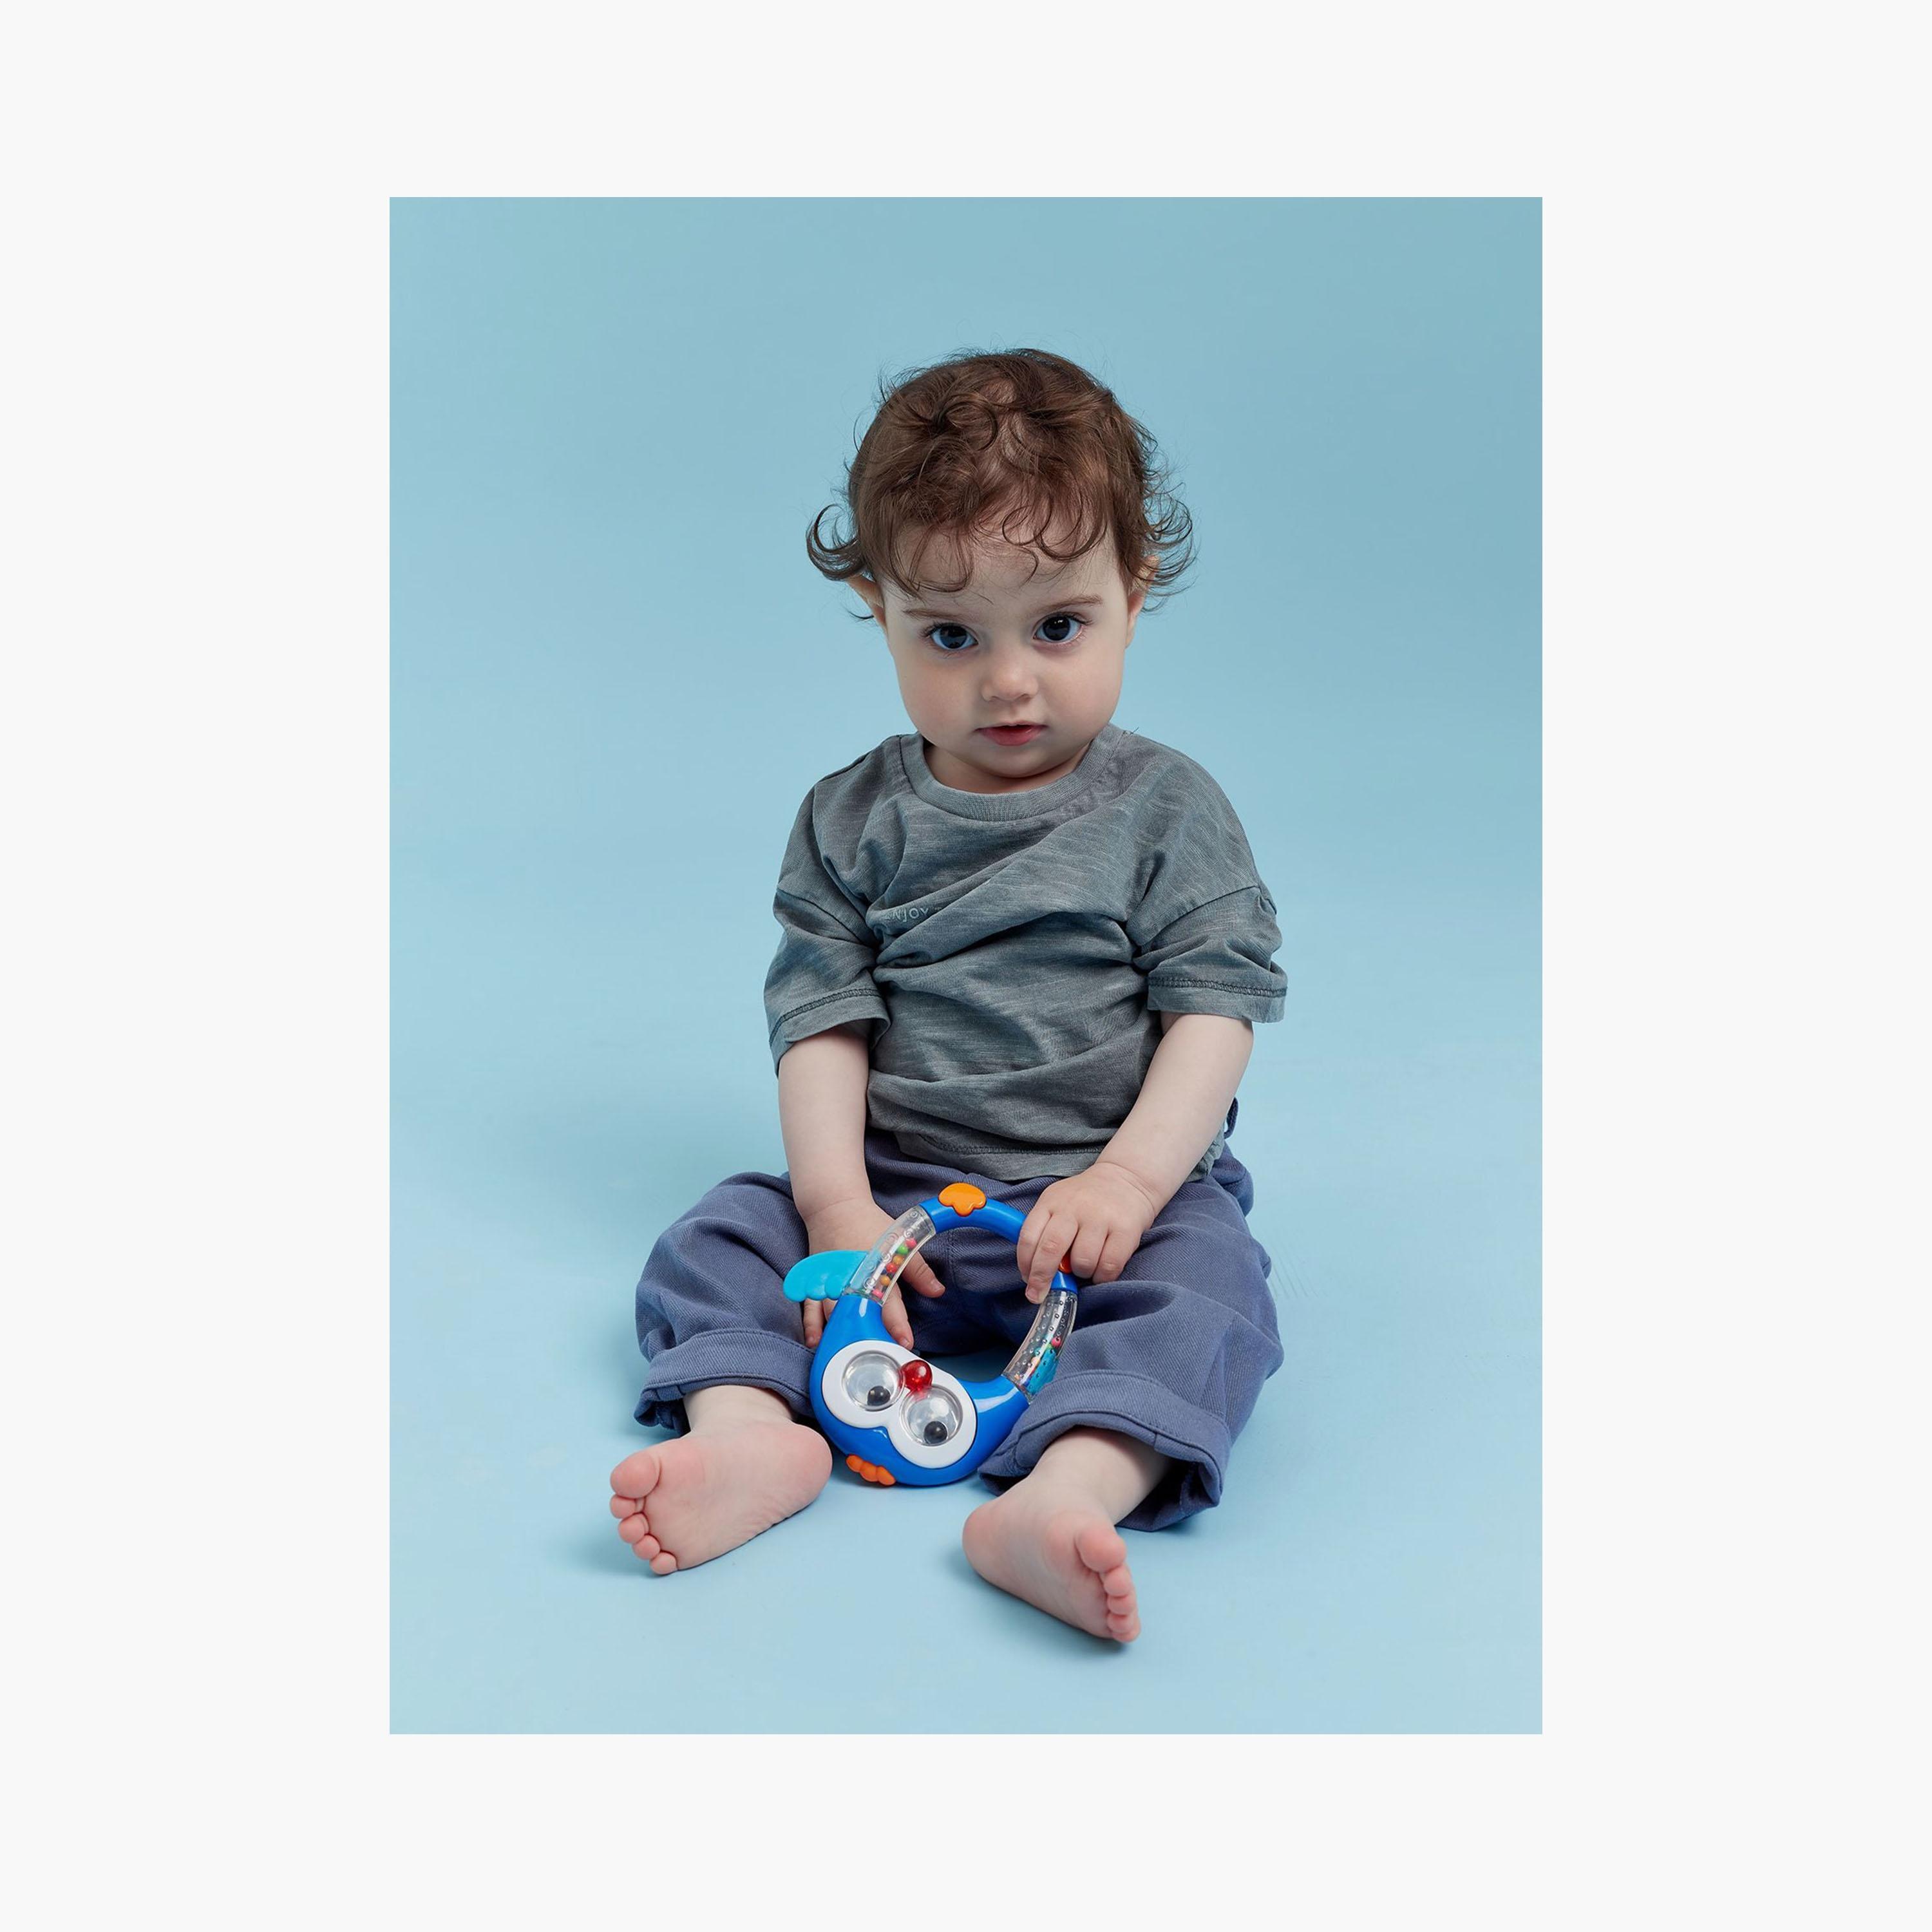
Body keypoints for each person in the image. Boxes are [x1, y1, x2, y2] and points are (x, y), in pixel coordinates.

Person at [607, 348, 1286, 1641]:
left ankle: (1067, 1491)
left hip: (1104, 1211)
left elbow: (1215, 1011)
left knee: (1212, 1288)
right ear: (880, 609)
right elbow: (821, 1023)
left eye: (1059, 626)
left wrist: (1128, 1184)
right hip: (896, 1203)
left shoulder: (1166, 811)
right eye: (952, 635)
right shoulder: (852, 820)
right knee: (720, 1235)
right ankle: (748, 1435)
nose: (1009, 680)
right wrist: (838, 1209)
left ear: (1135, 591)